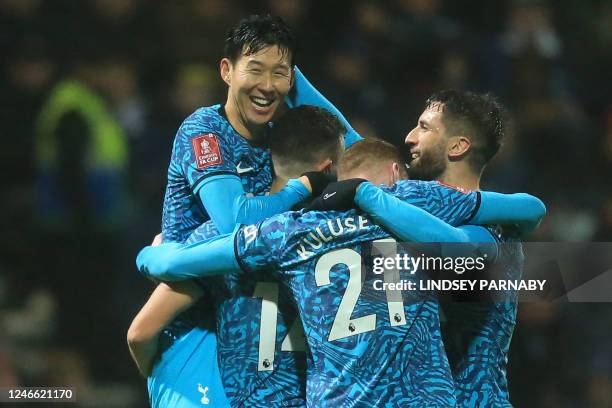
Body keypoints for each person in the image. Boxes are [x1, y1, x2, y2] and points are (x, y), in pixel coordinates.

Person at [136, 138, 544, 406]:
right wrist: (371, 197)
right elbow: (526, 211)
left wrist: (152, 253)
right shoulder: (414, 201)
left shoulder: (283, 230)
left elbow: (169, 268)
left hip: (332, 397)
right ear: (395, 173)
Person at [312, 90, 539, 406]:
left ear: (458, 146)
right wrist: (289, 73)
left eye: (424, 127)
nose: (409, 137)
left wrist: (367, 194)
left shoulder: (489, 230)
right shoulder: (411, 206)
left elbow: (458, 248)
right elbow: (351, 142)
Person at [128, 106, 345, 407]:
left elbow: (141, 332)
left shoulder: (225, 238)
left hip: (241, 397)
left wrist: (154, 256)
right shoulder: (339, 235)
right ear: (327, 169)